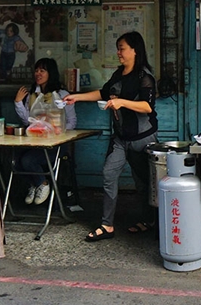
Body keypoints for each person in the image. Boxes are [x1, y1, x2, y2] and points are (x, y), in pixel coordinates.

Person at [64, 31, 159, 242]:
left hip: (143, 139)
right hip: (120, 138)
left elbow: (147, 107)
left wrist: (122, 102)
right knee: (108, 175)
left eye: (122, 48)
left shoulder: (145, 77)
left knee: (144, 182)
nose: (119, 53)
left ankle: (149, 220)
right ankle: (107, 225)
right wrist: (77, 98)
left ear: (135, 50)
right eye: (118, 48)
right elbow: (103, 93)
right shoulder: (118, 75)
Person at [13, 58, 77, 206]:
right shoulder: (32, 95)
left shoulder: (62, 95)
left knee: (28, 160)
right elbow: (27, 121)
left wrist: (56, 130)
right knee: (14, 159)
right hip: (35, 142)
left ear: (51, 73)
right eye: (36, 70)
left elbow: (72, 122)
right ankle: (36, 184)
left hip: (56, 144)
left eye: (42, 70)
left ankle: (42, 183)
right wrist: (18, 103)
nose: (38, 73)